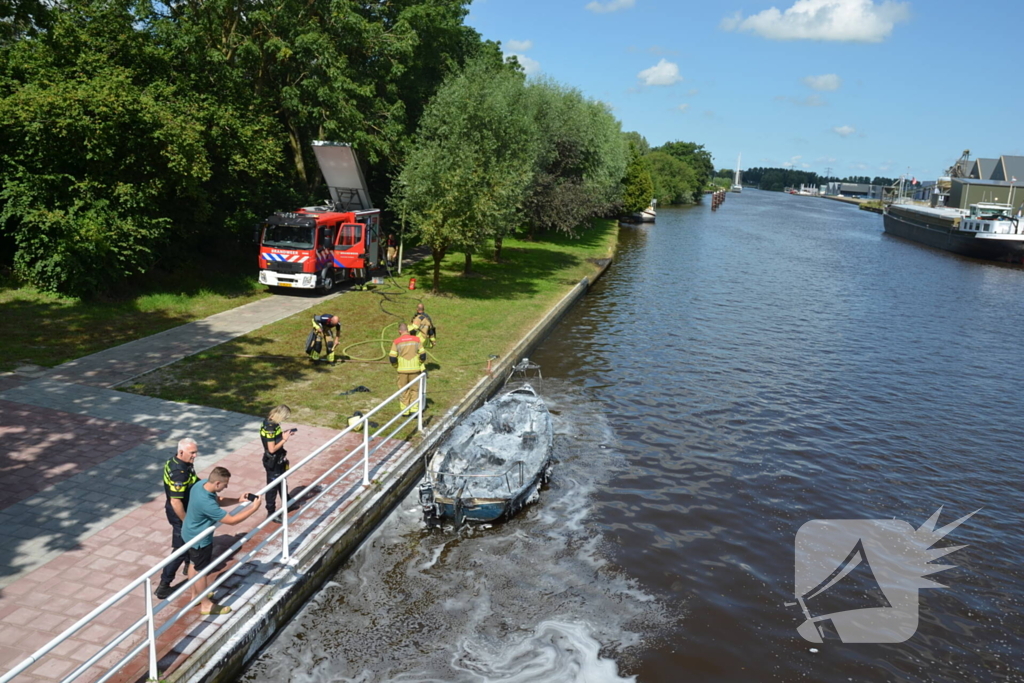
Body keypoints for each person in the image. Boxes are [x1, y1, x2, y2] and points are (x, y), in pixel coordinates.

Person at [181, 467, 261, 616]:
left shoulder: (200, 485)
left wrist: (238, 500)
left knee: (193, 564)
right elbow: (231, 521)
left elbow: (218, 500)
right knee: (201, 571)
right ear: (217, 483)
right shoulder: (206, 503)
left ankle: (195, 595)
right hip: (200, 540)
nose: (226, 487)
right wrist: (254, 509)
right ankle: (206, 605)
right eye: (225, 484)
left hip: (188, 533)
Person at [156, 438, 200, 599]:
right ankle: (164, 585)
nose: (195, 456)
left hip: (180, 509)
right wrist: (186, 520)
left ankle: (188, 565)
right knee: (180, 548)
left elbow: (193, 480)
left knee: (188, 541)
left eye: (195, 452)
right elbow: (176, 501)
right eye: (192, 453)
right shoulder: (178, 473)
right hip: (179, 512)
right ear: (181, 452)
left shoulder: (177, 461)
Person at [260, 405, 296, 522]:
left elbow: (274, 439)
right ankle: (271, 513)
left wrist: (283, 434)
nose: (284, 419)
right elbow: (271, 449)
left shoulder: (271, 423)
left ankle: (287, 503)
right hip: (273, 462)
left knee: (282, 482)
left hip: (278, 459)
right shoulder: (270, 428)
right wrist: (284, 439)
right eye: (285, 417)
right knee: (272, 488)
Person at [389, 323, 426, 416]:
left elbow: (392, 358)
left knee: (403, 390)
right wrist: (419, 363)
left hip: (402, 370)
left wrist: (396, 366)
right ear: (408, 330)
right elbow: (423, 355)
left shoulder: (396, 341)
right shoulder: (416, 339)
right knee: (415, 390)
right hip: (415, 369)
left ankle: (405, 411)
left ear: (399, 331)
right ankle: (414, 410)